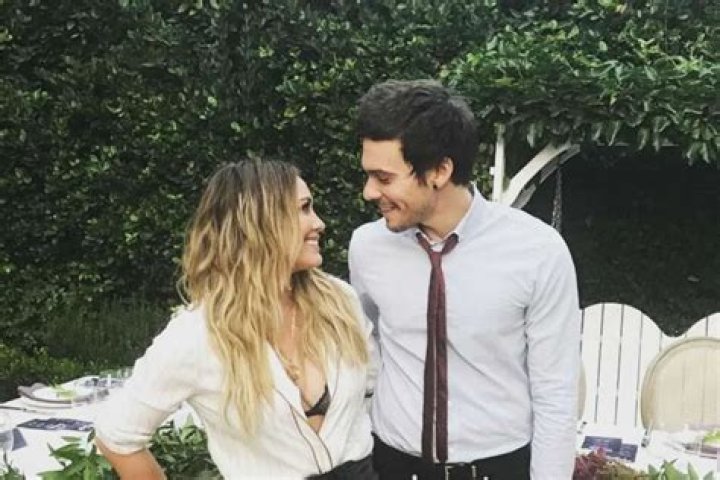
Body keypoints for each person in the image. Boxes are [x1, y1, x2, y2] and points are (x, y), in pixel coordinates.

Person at [349, 80, 580, 480]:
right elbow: (369, 346)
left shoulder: (538, 251)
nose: (369, 192)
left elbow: (555, 393)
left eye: (383, 178)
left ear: (440, 170)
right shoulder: (368, 247)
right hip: (392, 466)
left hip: (498, 469)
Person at [95, 160, 377, 479]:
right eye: (304, 209)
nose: (319, 223)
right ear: (258, 223)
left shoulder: (340, 302)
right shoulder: (198, 335)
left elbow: (372, 389)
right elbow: (116, 435)